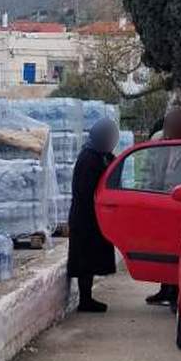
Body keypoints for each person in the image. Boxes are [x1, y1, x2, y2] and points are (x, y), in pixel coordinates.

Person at [145, 106, 181, 307]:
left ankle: (176, 292)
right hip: (160, 202)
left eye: (173, 127)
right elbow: (148, 169)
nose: (169, 132)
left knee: (179, 250)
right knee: (161, 248)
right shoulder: (158, 141)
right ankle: (164, 289)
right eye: (167, 127)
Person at [68, 118, 120, 312]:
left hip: (96, 217)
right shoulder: (88, 158)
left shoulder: (102, 155)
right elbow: (86, 191)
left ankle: (87, 298)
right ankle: (85, 300)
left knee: (90, 259)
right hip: (85, 219)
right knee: (85, 261)